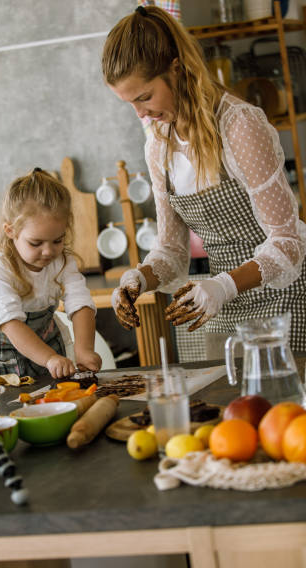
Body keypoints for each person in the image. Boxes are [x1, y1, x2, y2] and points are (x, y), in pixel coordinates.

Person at [102, 5, 306, 358]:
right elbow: (172, 251)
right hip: (217, 307)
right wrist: (140, 280)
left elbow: (288, 243)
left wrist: (225, 285)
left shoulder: (239, 126)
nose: (141, 114)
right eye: (129, 103)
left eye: (145, 97)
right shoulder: (158, 147)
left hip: (283, 302)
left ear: (177, 69)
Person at [0, 167, 102, 379]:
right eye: (36, 243)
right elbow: (11, 324)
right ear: (11, 231)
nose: (48, 251)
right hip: (4, 358)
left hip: (49, 349)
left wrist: (84, 349)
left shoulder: (62, 261)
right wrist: (49, 358)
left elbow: (81, 303)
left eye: (58, 240)